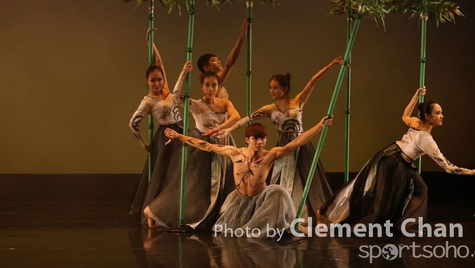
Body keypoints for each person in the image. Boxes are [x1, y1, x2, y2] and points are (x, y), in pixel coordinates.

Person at [317, 87, 475, 234]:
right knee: (374, 193)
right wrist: (473, 172)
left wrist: (415, 96)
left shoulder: (416, 123)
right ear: (427, 116)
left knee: (420, 188)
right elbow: (448, 167)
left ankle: (405, 225)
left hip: (397, 158)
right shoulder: (427, 140)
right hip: (393, 161)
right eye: (438, 113)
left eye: (441, 113)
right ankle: (329, 214)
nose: (442, 116)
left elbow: (405, 115)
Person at [206, 56, 344, 225]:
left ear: (285, 89)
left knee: (306, 180)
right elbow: (247, 119)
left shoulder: (298, 102)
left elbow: (313, 81)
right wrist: (228, 129)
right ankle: (284, 215)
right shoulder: (269, 109)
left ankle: (311, 215)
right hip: (284, 146)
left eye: (275, 88)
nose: (271, 91)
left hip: (301, 144)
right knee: (283, 180)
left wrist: (331, 65)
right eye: (270, 88)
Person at [164, 115, 334, 238]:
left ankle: (277, 225)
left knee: (278, 191)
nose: (259, 142)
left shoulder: (269, 155)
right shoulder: (235, 153)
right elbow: (206, 145)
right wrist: (179, 136)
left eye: (263, 139)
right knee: (229, 233)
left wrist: (320, 125)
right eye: (255, 139)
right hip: (240, 201)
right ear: (247, 139)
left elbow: (296, 143)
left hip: (260, 200)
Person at [143, 71, 242, 230]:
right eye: (207, 85)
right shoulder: (196, 104)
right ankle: (152, 211)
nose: (211, 89)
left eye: (214, 85)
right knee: (195, 187)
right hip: (202, 147)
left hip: (223, 144)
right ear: (201, 87)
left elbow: (236, 117)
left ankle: (219, 216)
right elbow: (175, 97)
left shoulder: (224, 103)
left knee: (226, 183)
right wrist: (183, 74)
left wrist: (219, 129)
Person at [128, 29, 191, 227]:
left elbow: (159, 61)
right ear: (147, 81)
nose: (157, 83)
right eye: (153, 80)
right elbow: (133, 123)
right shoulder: (148, 101)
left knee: (180, 175)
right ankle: (156, 213)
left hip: (181, 133)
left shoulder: (167, 91)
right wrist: (144, 144)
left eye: (159, 79)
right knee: (165, 176)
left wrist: (150, 41)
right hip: (166, 138)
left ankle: (177, 211)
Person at [196, 18, 248, 99]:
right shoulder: (216, 80)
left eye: (217, 59)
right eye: (213, 60)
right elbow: (230, 62)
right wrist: (241, 38)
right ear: (206, 67)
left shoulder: (218, 82)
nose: (219, 62)